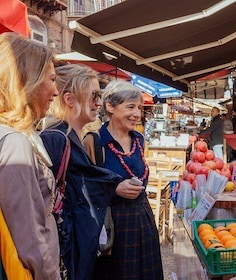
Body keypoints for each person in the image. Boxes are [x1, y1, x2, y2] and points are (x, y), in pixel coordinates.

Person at [40, 64, 131, 280]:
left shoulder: (71, 138)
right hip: (66, 253)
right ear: (70, 99)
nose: (99, 103)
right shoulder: (55, 138)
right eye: (93, 96)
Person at [84, 80, 164, 280]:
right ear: (110, 106)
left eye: (139, 108)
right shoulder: (94, 141)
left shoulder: (139, 139)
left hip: (143, 218)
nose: (137, 114)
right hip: (114, 224)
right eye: (130, 107)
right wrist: (113, 189)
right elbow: (82, 187)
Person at [0, 32, 60, 279]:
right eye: (52, 79)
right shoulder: (14, 142)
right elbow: (31, 240)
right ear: (27, 81)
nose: (56, 90)